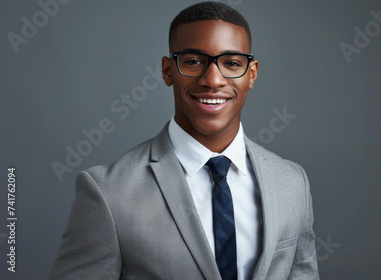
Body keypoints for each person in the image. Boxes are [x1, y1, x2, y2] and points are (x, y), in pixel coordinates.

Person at [49, 2, 319, 279]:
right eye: (193, 61)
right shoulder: (108, 192)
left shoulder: (292, 182)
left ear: (251, 74)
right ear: (168, 70)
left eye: (232, 63)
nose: (213, 80)